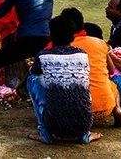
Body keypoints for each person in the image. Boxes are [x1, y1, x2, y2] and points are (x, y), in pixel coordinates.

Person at [26, 15, 100, 145]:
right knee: (81, 84)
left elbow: (34, 73)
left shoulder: (43, 55)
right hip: (83, 123)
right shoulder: (82, 54)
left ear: (51, 35)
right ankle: (85, 135)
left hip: (54, 124)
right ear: (72, 36)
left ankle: (44, 133)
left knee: (32, 79)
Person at [61, 8, 121, 127]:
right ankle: (117, 109)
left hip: (77, 111)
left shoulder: (62, 46)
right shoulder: (100, 43)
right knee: (112, 85)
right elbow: (111, 70)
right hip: (105, 108)